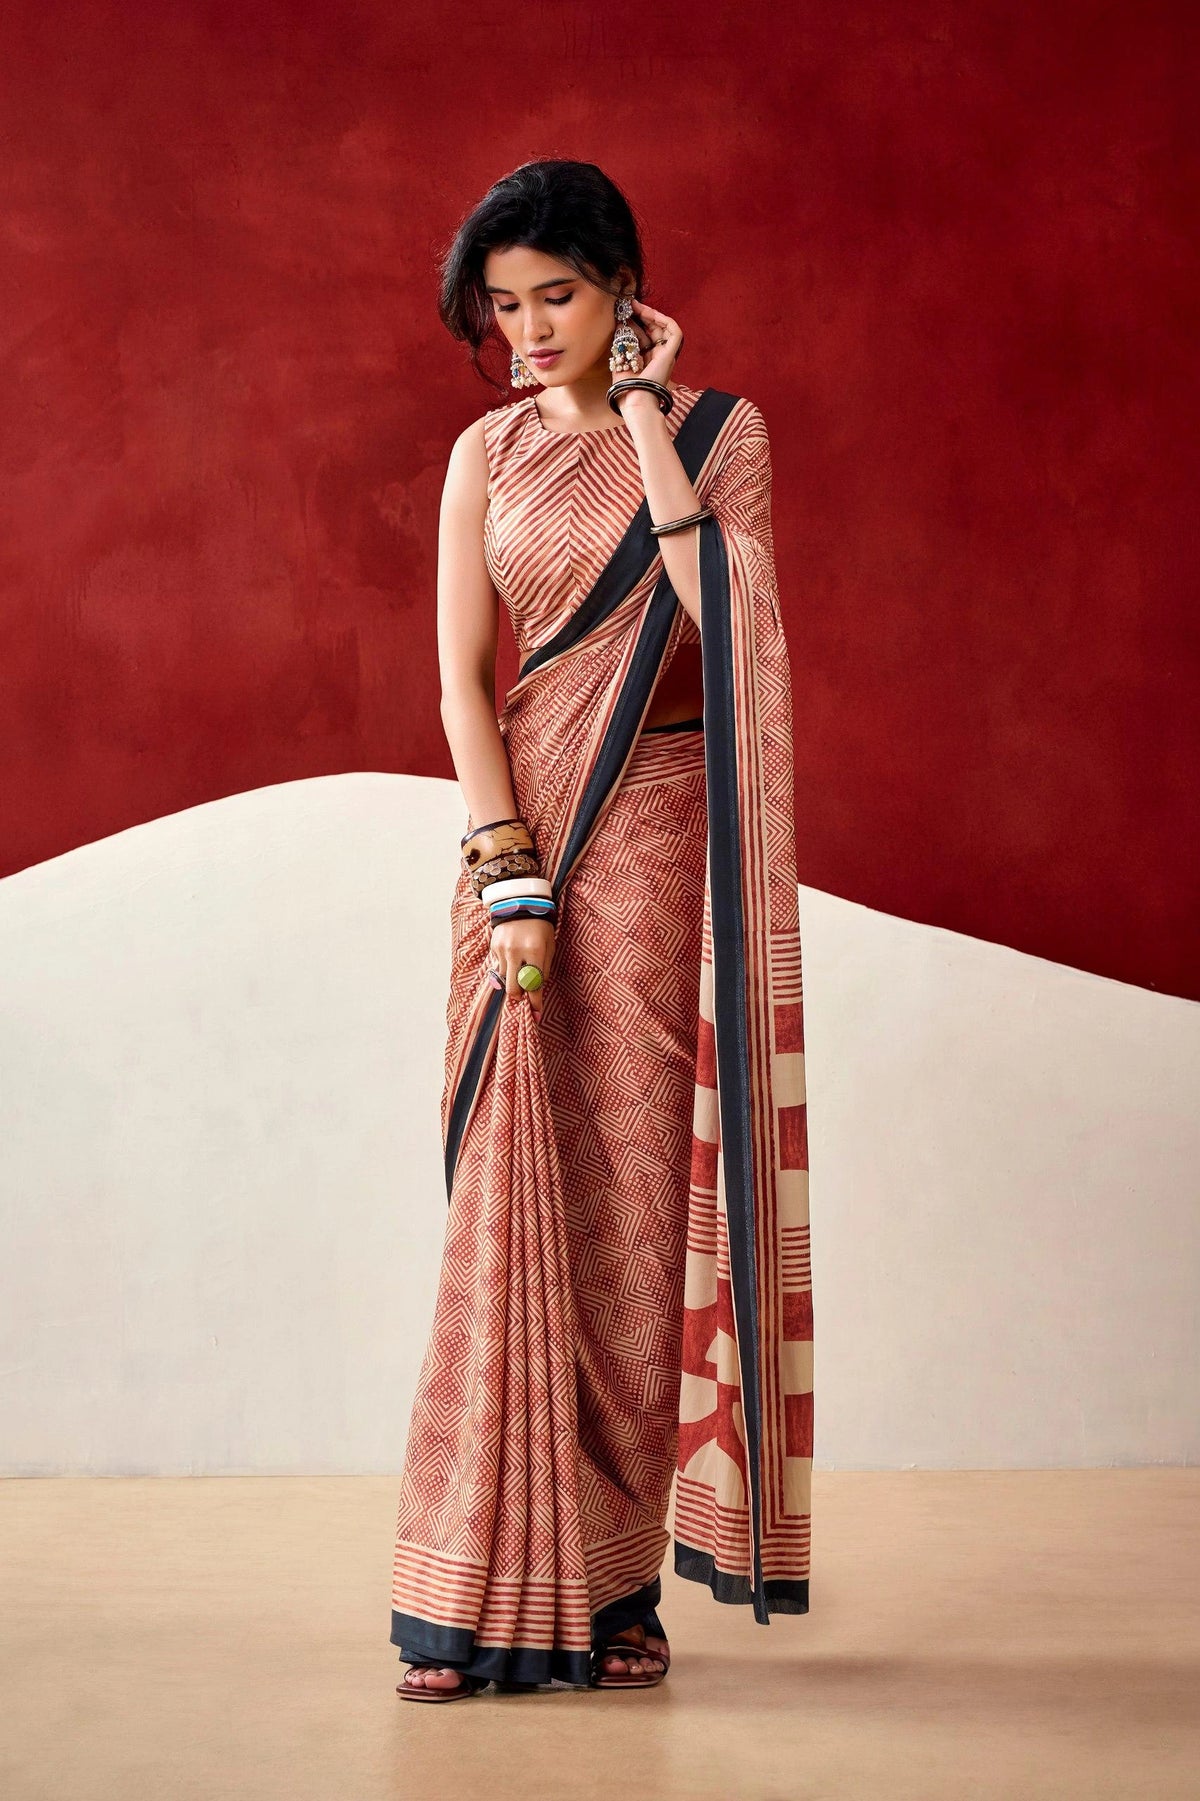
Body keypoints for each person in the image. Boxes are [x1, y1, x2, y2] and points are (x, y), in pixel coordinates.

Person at [391, 159, 813, 1702]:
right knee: (508, 1203)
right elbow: (459, 678)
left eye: (555, 297)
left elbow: (720, 603)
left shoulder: (719, 435)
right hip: (518, 853)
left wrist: (644, 412)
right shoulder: (481, 452)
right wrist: (505, 861)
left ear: (623, 286)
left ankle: (619, 1591)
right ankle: (473, 1587)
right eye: (501, 307)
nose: (526, 332)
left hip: (652, 838)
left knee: (635, 1213)